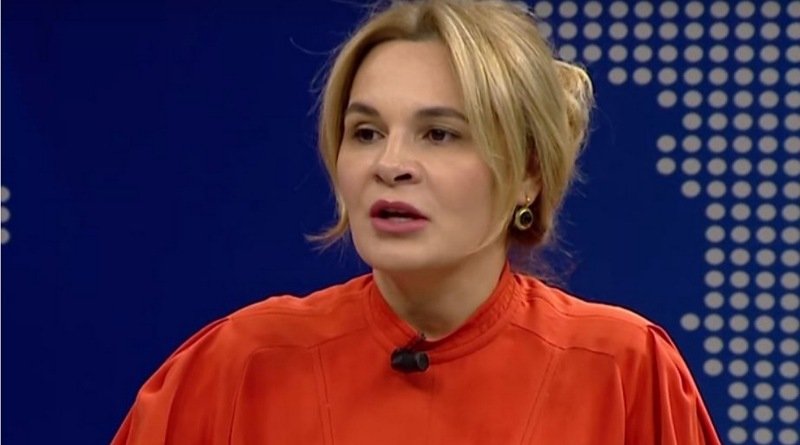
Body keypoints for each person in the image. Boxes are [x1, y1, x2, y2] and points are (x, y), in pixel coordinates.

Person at [112, 0, 722, 443]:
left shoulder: (623, 369)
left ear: (529, 172)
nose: (390, 164)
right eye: (366, 132)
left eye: (439, 134)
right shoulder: (238, 364)